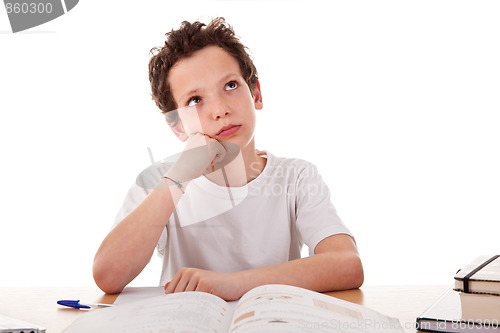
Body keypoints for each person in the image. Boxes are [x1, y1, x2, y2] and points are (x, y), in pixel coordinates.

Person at [92, 17, 364, 300]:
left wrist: (233, 284)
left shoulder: (296, 177)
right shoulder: (158, 181)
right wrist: (178, 178)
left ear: (256, 93)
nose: (220, 110)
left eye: (231, 85)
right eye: (195, 100)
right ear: (178, 126)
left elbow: (348, 265)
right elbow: (108, 275)